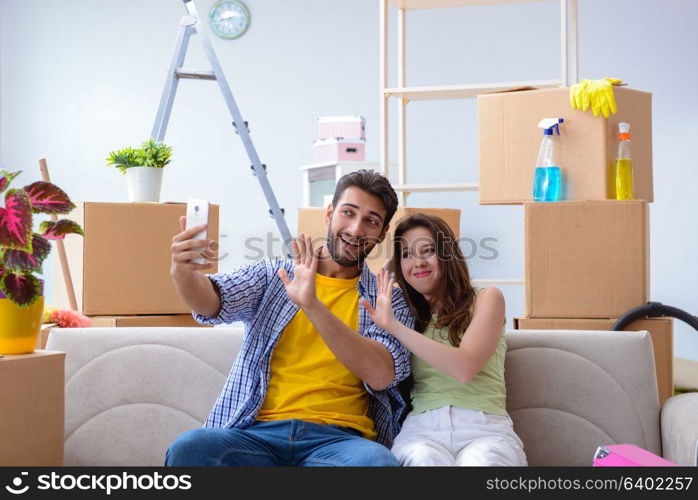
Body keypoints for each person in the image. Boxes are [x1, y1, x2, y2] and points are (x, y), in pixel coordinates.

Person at [165, 170, 414, 466]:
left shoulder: (388, 299)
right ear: (330, 213)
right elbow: (212, 302)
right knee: (191, 447)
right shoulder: (275, 275)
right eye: (348, 213)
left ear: (382, 233)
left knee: (377, 464)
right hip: (257, 437)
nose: (356, 229)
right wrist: (183, 272)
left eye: (371, 221)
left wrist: (312, 305)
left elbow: (380, 374)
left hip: (340, 443)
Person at [362, 213, 527, 466]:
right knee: (423, 459)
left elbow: (464, 367)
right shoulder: (406, 313)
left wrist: (394, 326)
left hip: (484, 428)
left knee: (481, 461)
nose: (417, 262)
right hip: (422, 430)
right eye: (406, 255)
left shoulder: (487, 299)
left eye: (427, 251)